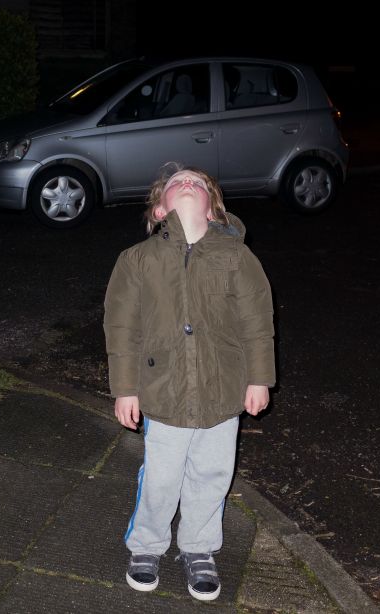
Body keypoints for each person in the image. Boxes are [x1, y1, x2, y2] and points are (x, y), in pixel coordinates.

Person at [103, 162, 276, 601]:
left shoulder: (237, 257)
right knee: (162, 476)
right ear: (159, 210)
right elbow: (121, 328)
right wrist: (125, 388)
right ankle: (147, 546)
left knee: (213, 473)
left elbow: (257, 323)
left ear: (213, 209)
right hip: (162, 392)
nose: (186, 183)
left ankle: (199, 548)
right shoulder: (137, 260)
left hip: (223, 391)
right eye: (175, 183)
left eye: (197, 183)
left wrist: (259, 379)